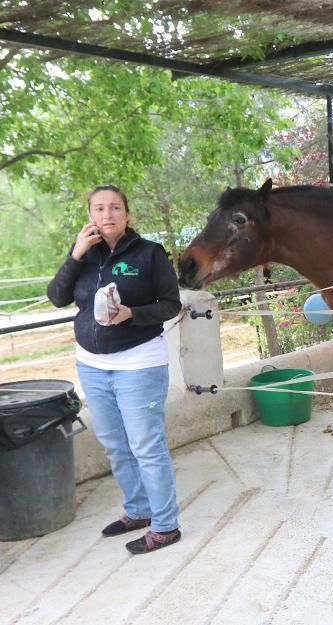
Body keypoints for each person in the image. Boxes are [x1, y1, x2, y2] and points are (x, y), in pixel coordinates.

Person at [47, 184, 183, 554]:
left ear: (127, 214)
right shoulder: (84, 256)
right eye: (99, 209)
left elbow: (171, 304)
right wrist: (75, 254)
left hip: (139, 362)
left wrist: (132, 315)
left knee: (146, 447)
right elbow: (57, 297)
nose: (107, 215)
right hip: (91, 364)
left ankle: (166, 525)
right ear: (90, 214)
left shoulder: (148, 253)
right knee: (116, 446)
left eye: (115, 208)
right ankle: (139, 511)